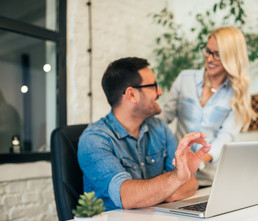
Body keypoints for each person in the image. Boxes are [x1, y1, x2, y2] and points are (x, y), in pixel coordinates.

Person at [77, 57, 211, 211]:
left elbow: (191, 182)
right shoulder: (94, 140)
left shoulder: (159, 128)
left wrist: (162, 192)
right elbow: (126, 197)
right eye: (154, 86)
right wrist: (175, 180)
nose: (160, 92)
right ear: (132, 95)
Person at [159, 26, 256, 187]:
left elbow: (225, 137)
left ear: (231, 57)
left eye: (217, 54)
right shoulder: (185, 78)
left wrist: (198, 161)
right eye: (208, 51)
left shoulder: (237, 94)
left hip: (211, 179)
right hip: (176, 174)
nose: (209, 59)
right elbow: (163, 118)